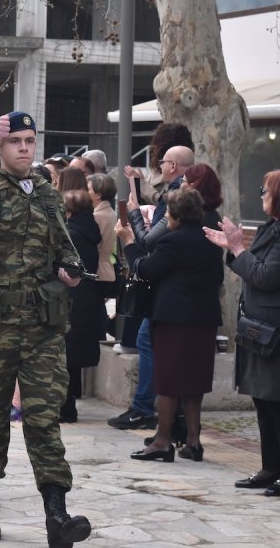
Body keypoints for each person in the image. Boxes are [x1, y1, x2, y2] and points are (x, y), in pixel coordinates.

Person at [0, 111, 91, 546]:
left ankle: (57, 513)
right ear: (2, 146)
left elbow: (65, 246)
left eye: (29, 141)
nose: (24, 148)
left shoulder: (47, 193)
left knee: (44, 418)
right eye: (15, 141)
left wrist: (71, 269)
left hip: (41, 326)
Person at [204, 169, 280, 497]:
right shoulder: (273, 227)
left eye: (265, 190)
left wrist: (239, 249)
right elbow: (255, 267)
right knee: (264, 400)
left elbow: (265, 276)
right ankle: (270, 468)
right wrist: (233, 247)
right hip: (262, 328)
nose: (262, 196)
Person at [119, 188, 223, 462]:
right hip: (205, 319)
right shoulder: (209, 239)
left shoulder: (173, 241)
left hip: (174, 320)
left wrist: (129, 243)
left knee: (168, 380)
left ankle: (162, 441)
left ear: (175, 215)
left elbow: (145, 269)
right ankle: (193, 441)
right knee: (194, 381)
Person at [108, 144, 194, 432]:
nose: (160, 165)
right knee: (147, 341)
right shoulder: (175, 195)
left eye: (164, 161)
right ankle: (150, 408)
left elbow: (148, 242)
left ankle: (146, 408)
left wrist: (134, 218)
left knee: (148, 342)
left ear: (174, 166)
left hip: (166, 286)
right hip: (168, 286)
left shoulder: (178, 198)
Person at [60, 189, 104, 423]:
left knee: (66, 355)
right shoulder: (89, 229)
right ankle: (69, 404)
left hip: (72, 298)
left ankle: (66, 407)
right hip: (86, 297)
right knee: (72, 357)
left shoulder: (72, 234)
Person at [87, 173, 117, 303]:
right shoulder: (110, 213)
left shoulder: (97, 216)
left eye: (88, 189)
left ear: (98, 194)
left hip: (97, 271)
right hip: (107, 270)